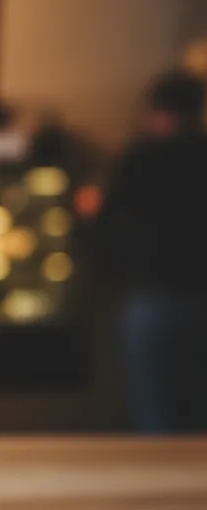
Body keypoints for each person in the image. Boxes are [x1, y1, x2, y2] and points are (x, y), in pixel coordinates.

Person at [96, 71, 207, 432]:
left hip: (148, 295)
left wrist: (114, 273)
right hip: (199, 293)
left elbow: (106, 222)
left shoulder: (138, 158)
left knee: (154, 414)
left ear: (155, 111)